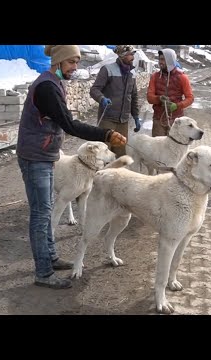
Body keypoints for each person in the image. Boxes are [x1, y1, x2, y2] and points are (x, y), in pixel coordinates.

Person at [16, 45, 127, 289]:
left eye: (77, 62)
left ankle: (51, 257)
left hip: (45, 153)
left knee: (44, 211)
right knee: (40, 214)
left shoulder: (55, 83)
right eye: (71, 62)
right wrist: (105, 134)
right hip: (35, 156)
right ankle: (43, 273)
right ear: (58, 61)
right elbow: (68, 124)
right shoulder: (47, 87)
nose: (75, 67)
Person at [90, 45, 141, 157]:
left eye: (133, 54)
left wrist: (136, 117)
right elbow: (94, 89)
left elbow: (133, 96)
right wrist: (101, 98)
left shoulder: (132, 73)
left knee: (120, 154)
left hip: (123, 121)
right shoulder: (107, 69)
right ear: (122, 55)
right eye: (129, 54)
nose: (132, 57)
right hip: (107, 119)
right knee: (103, 153)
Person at [147, 48, 194, 137]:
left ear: (170, 60)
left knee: (174, 147)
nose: (160, 62)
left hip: (177, 121)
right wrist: (159, 99)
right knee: (158, 148)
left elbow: (190, 98)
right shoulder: (155, 77)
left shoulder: (182, 77)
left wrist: (177, 106)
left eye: (163, 59)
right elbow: (149, 97)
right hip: (158, 119)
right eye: (160, 59)